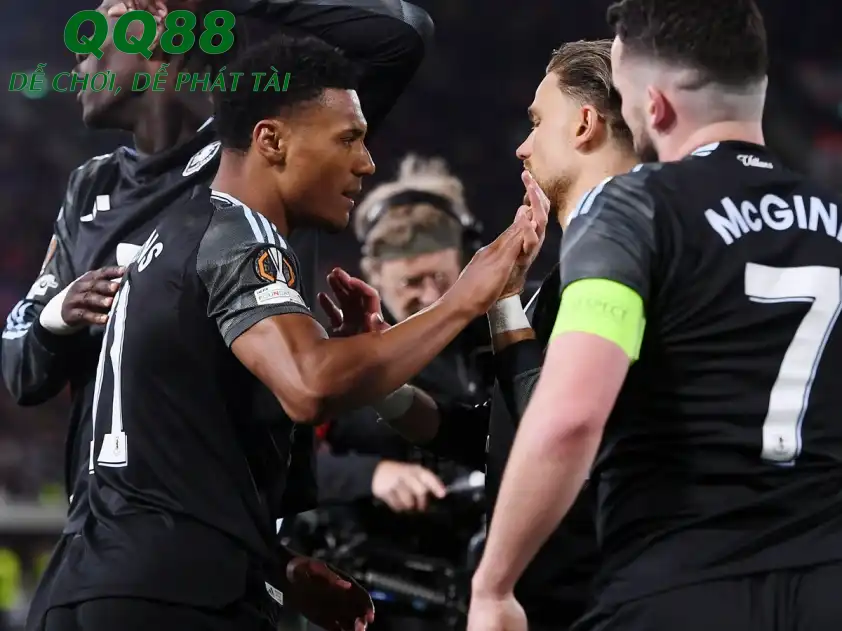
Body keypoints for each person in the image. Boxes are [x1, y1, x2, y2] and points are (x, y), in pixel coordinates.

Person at [65, 32, 538, 631]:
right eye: (349, 139)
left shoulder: (182, 234)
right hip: (176, 599)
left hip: (111, 581)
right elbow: (310, 386)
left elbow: (177, 467)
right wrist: (464, 300)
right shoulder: (241, 236)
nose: (366, 162)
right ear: (272, 141)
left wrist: (275, 566)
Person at [2, 1, 434, 629]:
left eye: (102, 19)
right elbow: (20, 366)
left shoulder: (261, 150)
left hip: (215, 563)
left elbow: (398, 35)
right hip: (114, 557)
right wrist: (57, 316)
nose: (80, 49)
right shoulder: (90, 190)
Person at [469, 1, 842, 630]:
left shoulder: (630, 212)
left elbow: (570, 417)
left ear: (656, 105)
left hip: (681, 586)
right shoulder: (834, 219)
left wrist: (494, 584)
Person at [320, 40, 636, 631]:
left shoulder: (627, 255)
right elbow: (498, 435)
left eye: (537, 122)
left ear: (584, 124)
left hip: (604, 599)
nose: (522, 145)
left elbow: (559, 428)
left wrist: (492, 583)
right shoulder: (577, 270)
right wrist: (382, 381)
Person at [318, 154, 490, 514]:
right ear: (374, 276)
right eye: (411, 282)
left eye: (440, 277)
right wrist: (370, 475)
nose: (430, 296)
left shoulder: (505, 331)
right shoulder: (335, 354)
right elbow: (270, 464)